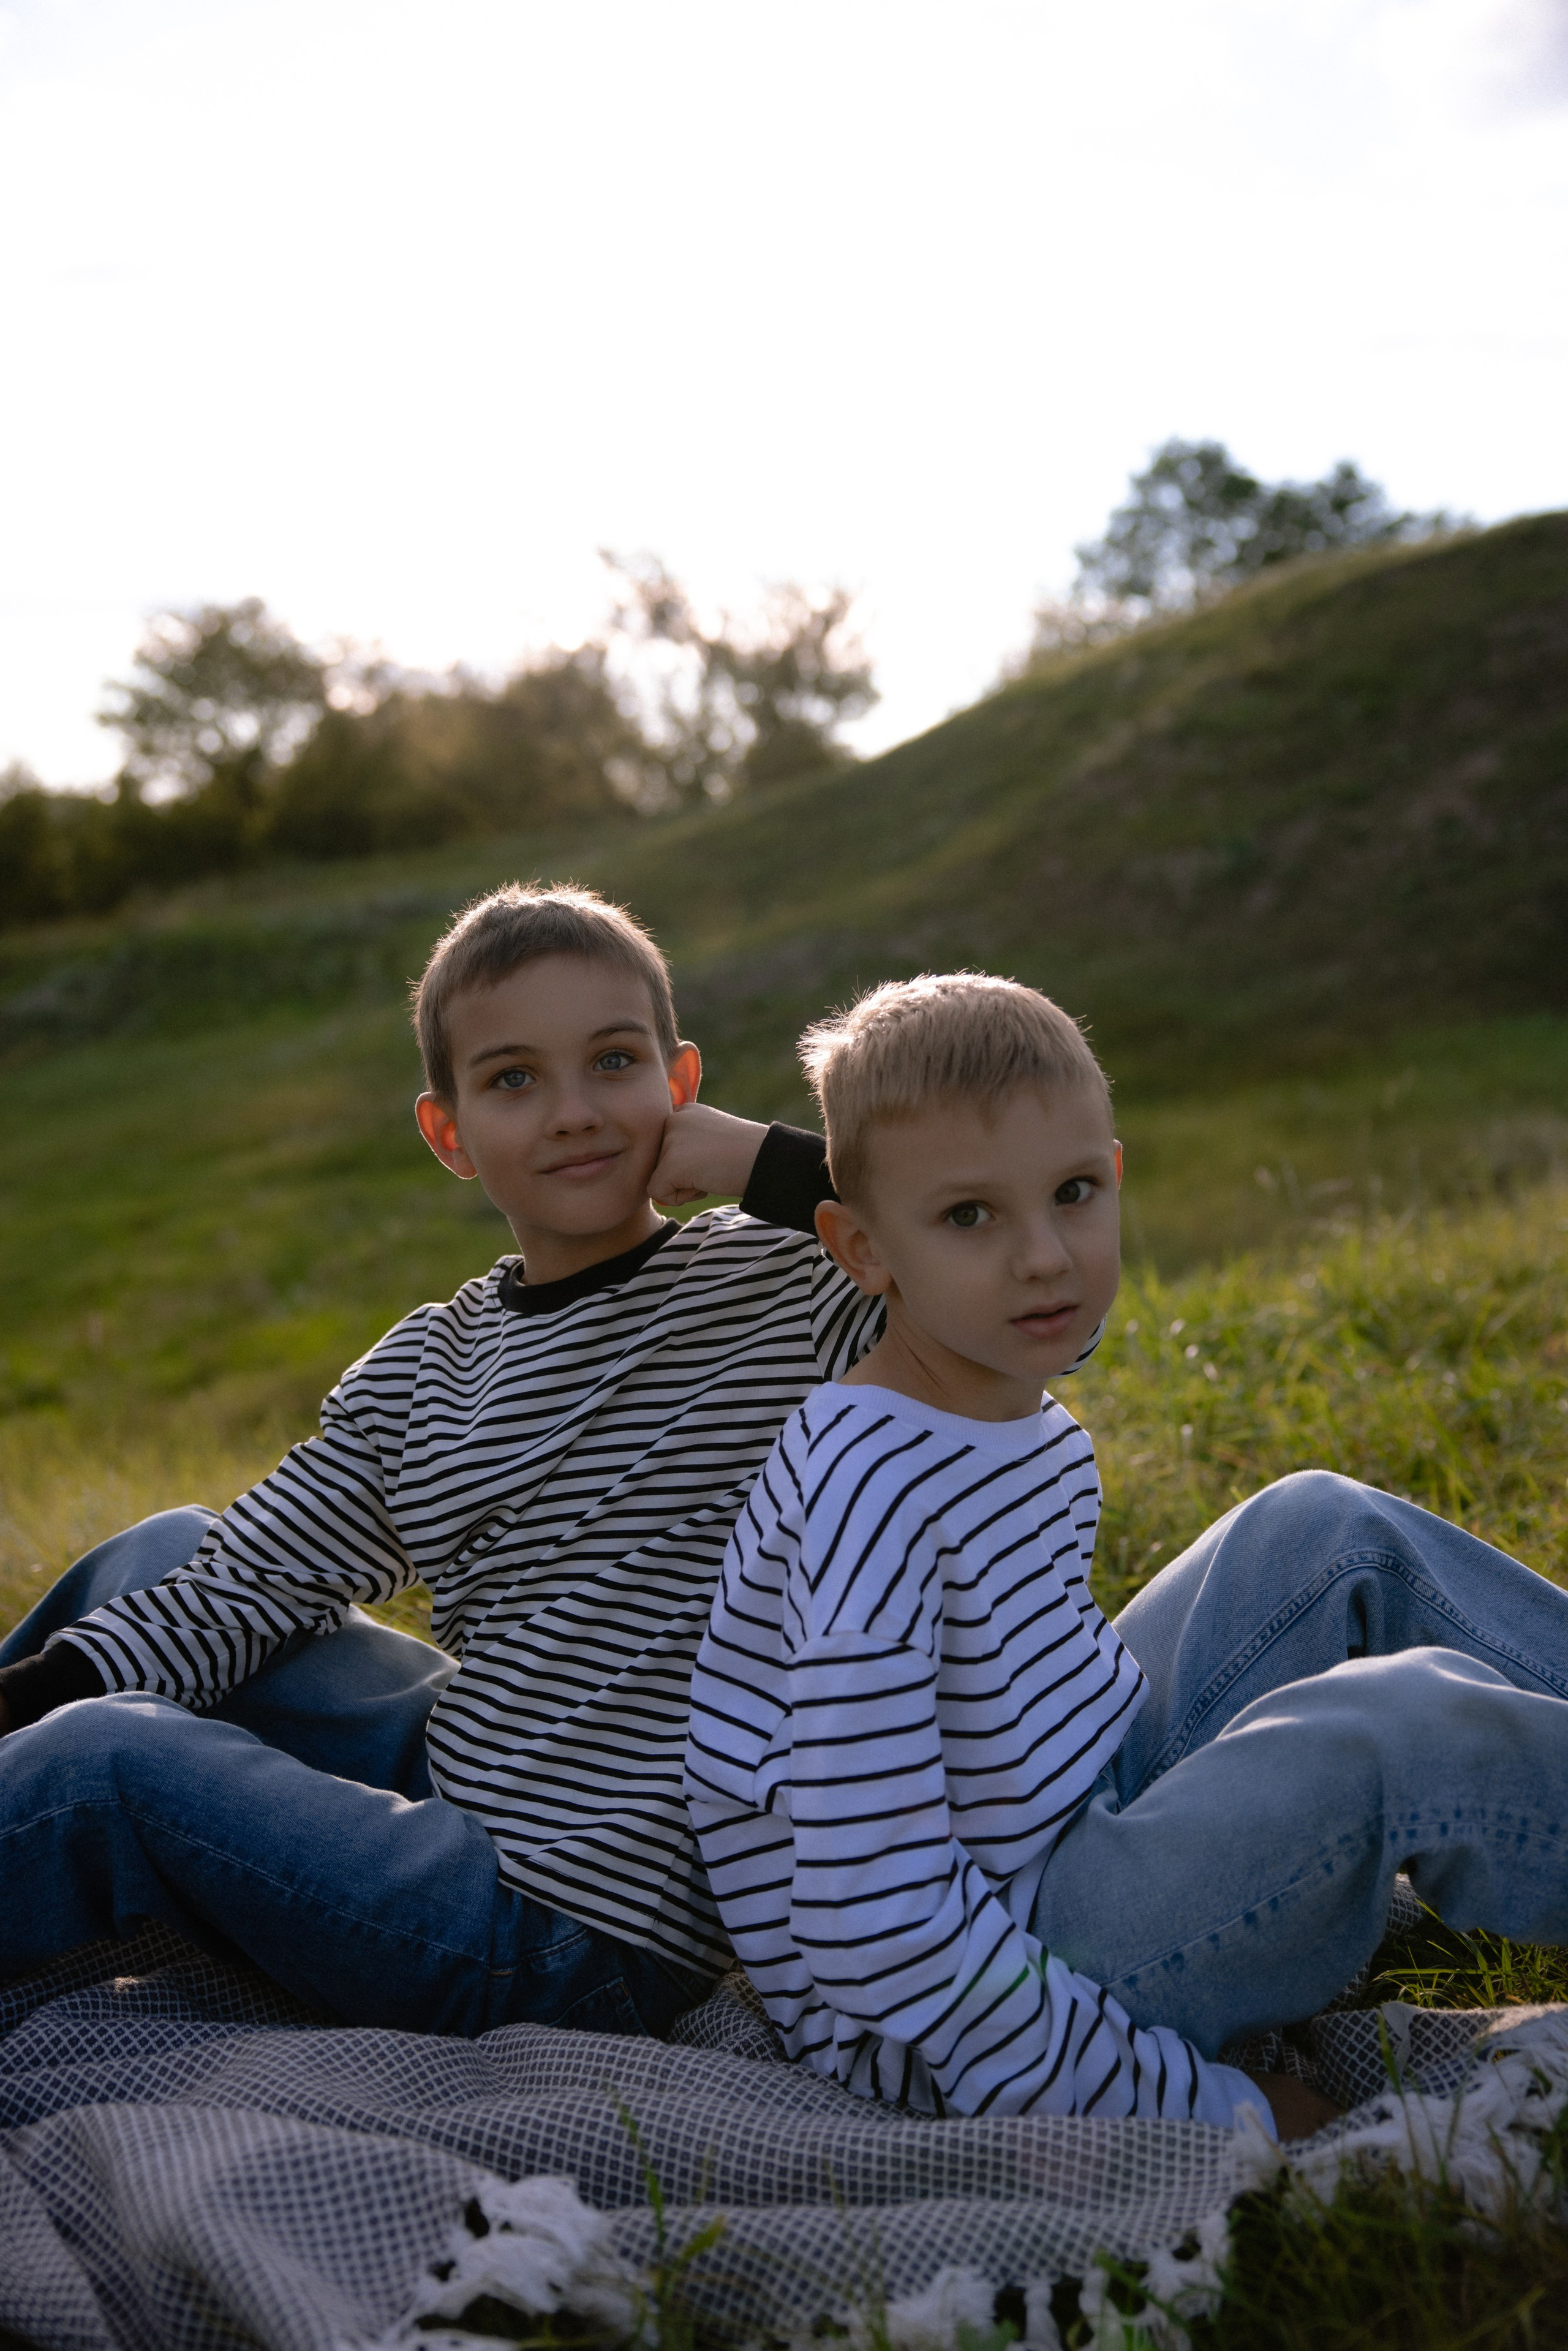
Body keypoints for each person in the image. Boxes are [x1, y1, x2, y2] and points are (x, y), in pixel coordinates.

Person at [683, 973, 1568, 2143]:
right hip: (978, 1992)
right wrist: (1191, 2101)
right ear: (862, 1251)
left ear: (1114, 1170)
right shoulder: (872, 1490)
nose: (1046, 1256)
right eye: (970, 1217)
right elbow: (873, 1917)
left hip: (1063, 1817)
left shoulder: (998, 1399)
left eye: (1073, 1193)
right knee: (1393, 1733)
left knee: (1319, 1527)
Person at [0, 883, 872, 2040]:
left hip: (566, 1925)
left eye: (614, 1062)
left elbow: (1004, 1261)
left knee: (104, 1762)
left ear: (682, 1080)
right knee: (166, 1552)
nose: (573, 1112)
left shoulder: (788, 1283)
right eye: (514, 1078)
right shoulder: (428, 1366)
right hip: (468, 1772)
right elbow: (243, 1585)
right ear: (449, 1132)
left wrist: (766, 1160)